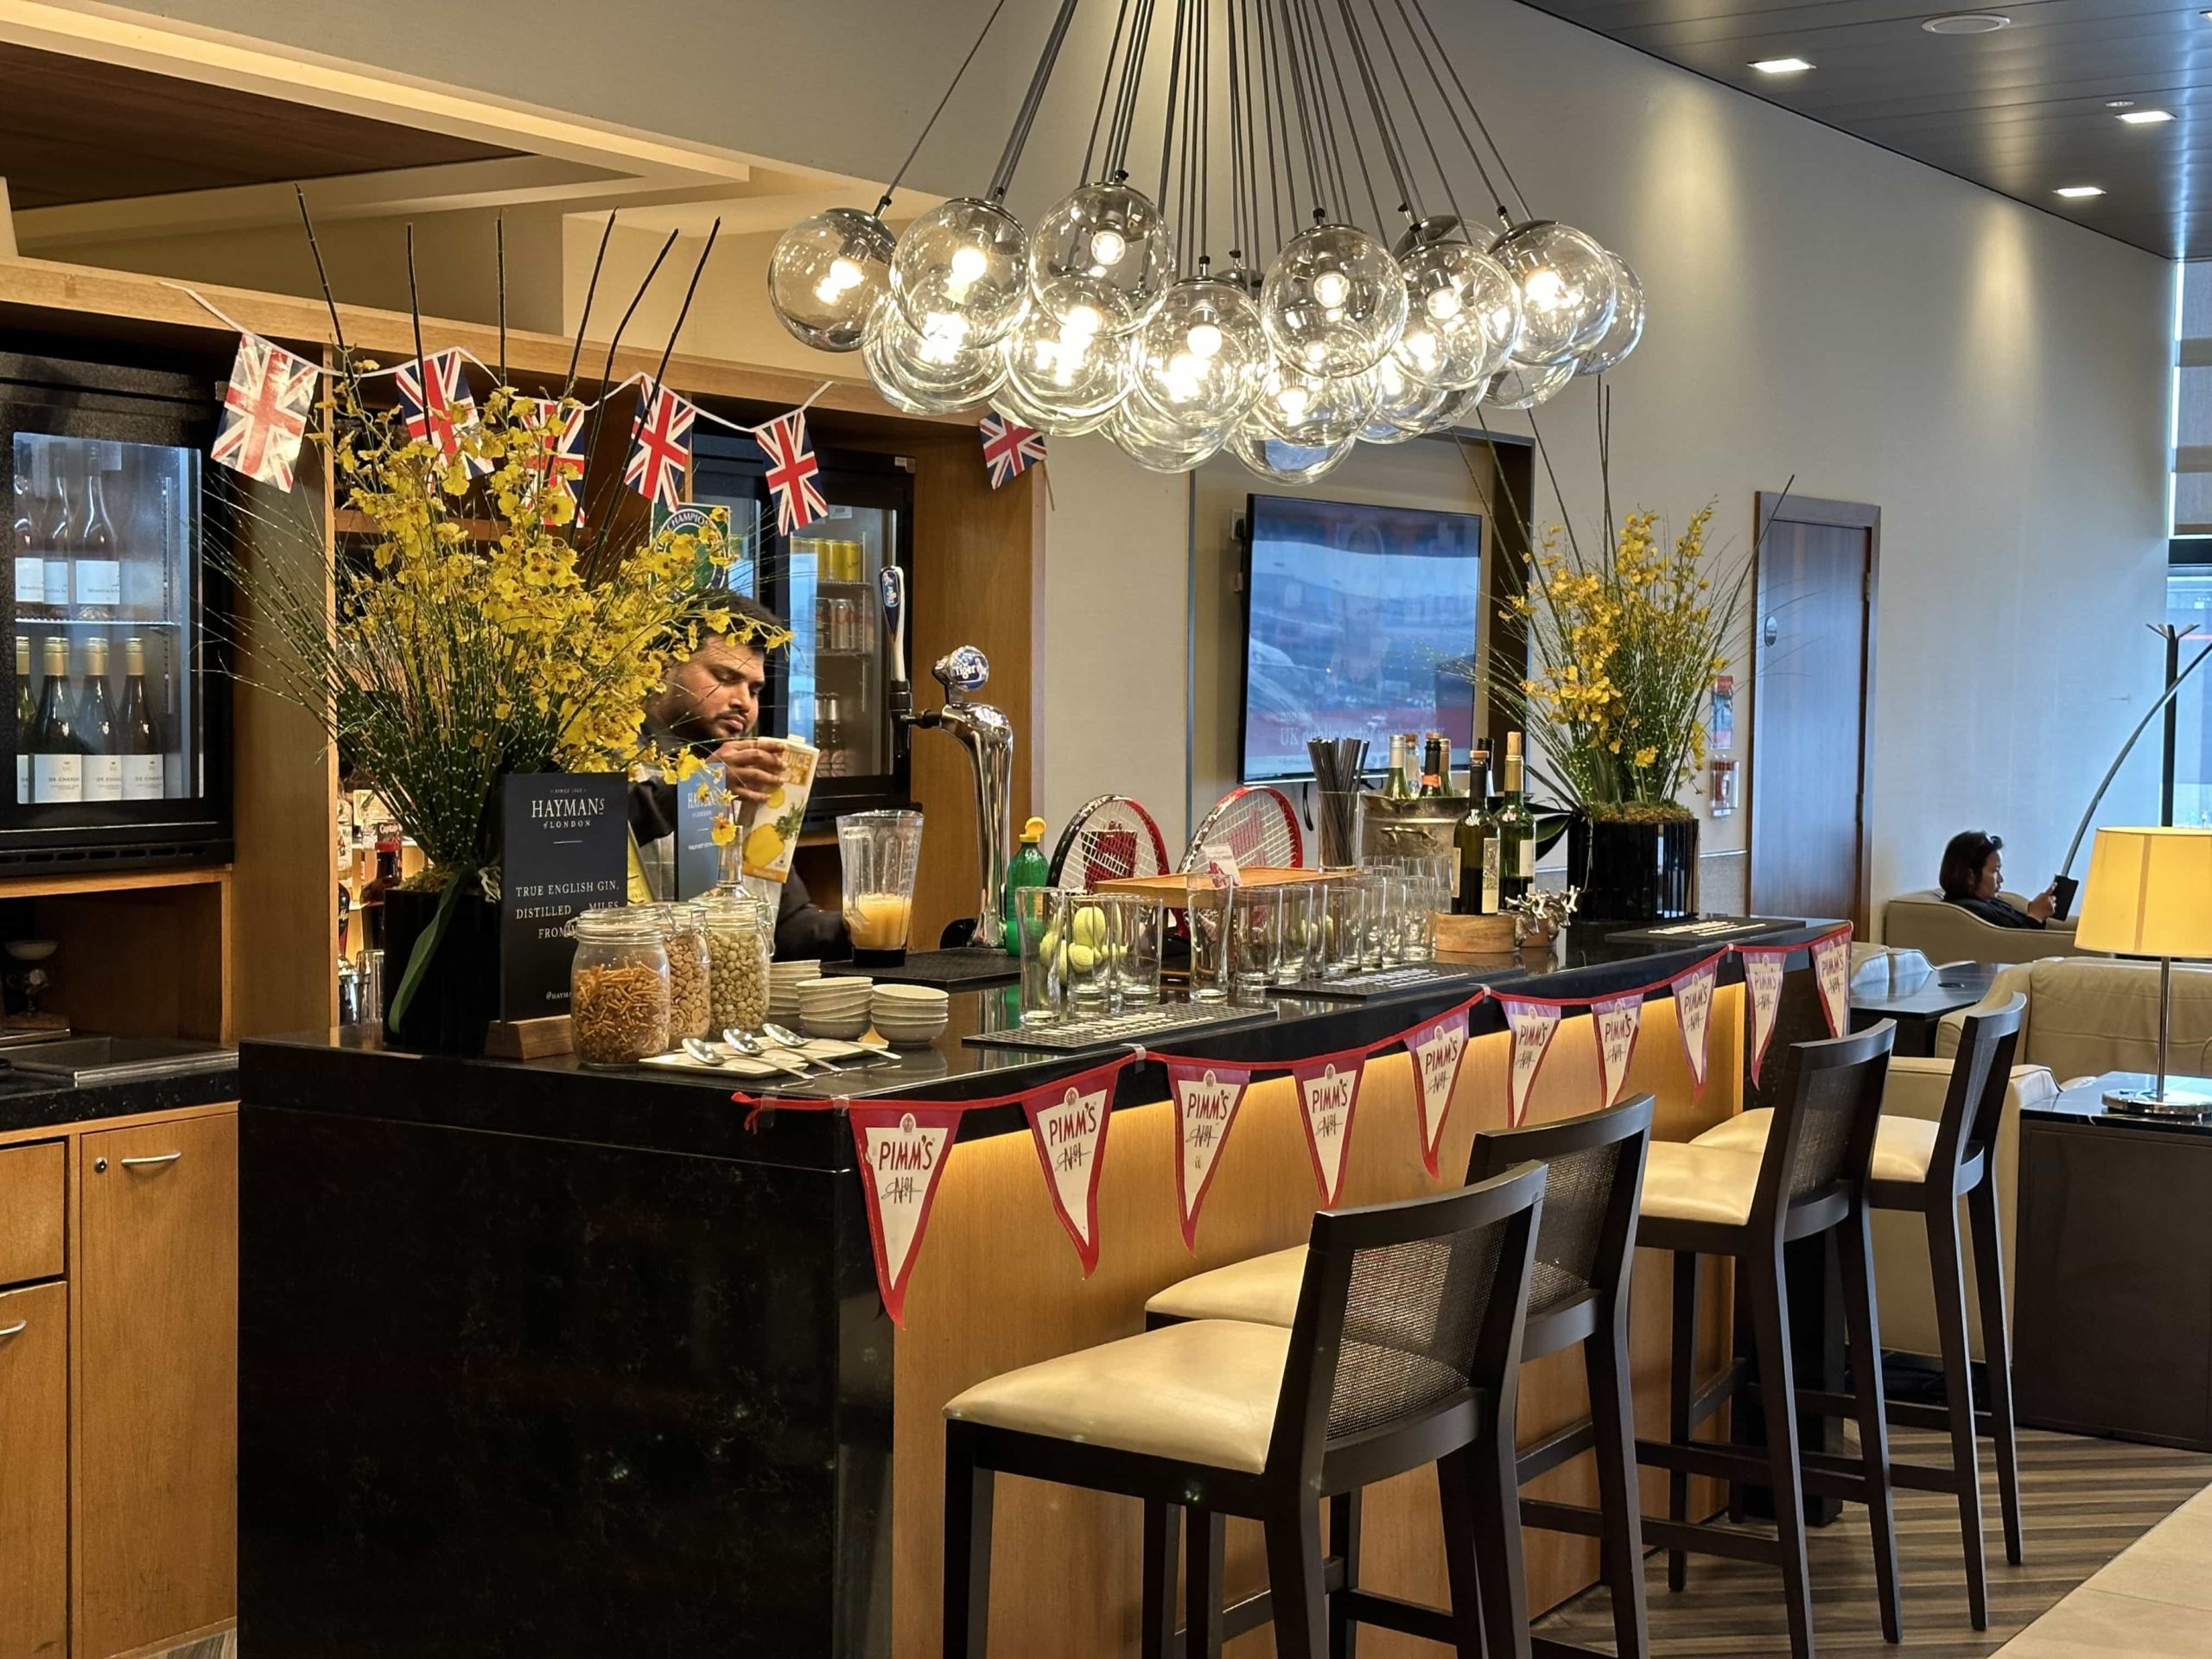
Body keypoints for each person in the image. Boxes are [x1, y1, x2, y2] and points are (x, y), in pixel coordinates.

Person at [629, 594, 849, 958]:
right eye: (726, 677)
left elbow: (784, 924)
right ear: (664, 666)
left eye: (754, 689)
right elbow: (603, 830)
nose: (743, 702)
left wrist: (855, 929)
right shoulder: (606, 752)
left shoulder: (747, 774)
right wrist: (701, 787)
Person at [1937, 830, 2054, 929]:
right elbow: (2012, 946)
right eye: (1995, 871)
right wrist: (2035, 917)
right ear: (1970, 877)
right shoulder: (1972, 912)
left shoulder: (1987, 901)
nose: (2001, 879)